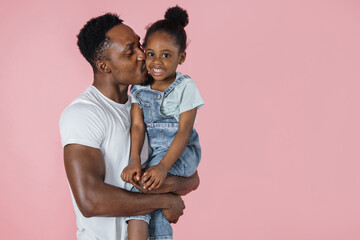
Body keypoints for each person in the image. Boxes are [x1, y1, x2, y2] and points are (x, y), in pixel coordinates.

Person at [59, 13, 200, 240]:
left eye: (139, 45)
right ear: (104, 65)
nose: (143, 56)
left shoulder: (149, 105)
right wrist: (164, 199)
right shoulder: (83, 114)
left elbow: (192, 178)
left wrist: (165, 179)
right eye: (129, 52)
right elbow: (90, 200)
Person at [121, 6, 204, 240]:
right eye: (150, 53)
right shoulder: (138, 88)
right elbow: (137, 126)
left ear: (181, 58)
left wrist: (162, 168)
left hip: (181, 152)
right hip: (156, 154)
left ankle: (165, 204)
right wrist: (134, 161)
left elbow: (184, 133)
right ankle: (168, 207)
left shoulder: (185, 87)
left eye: (166, 55)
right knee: (141, 186)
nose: (157, 62)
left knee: (142, 189)